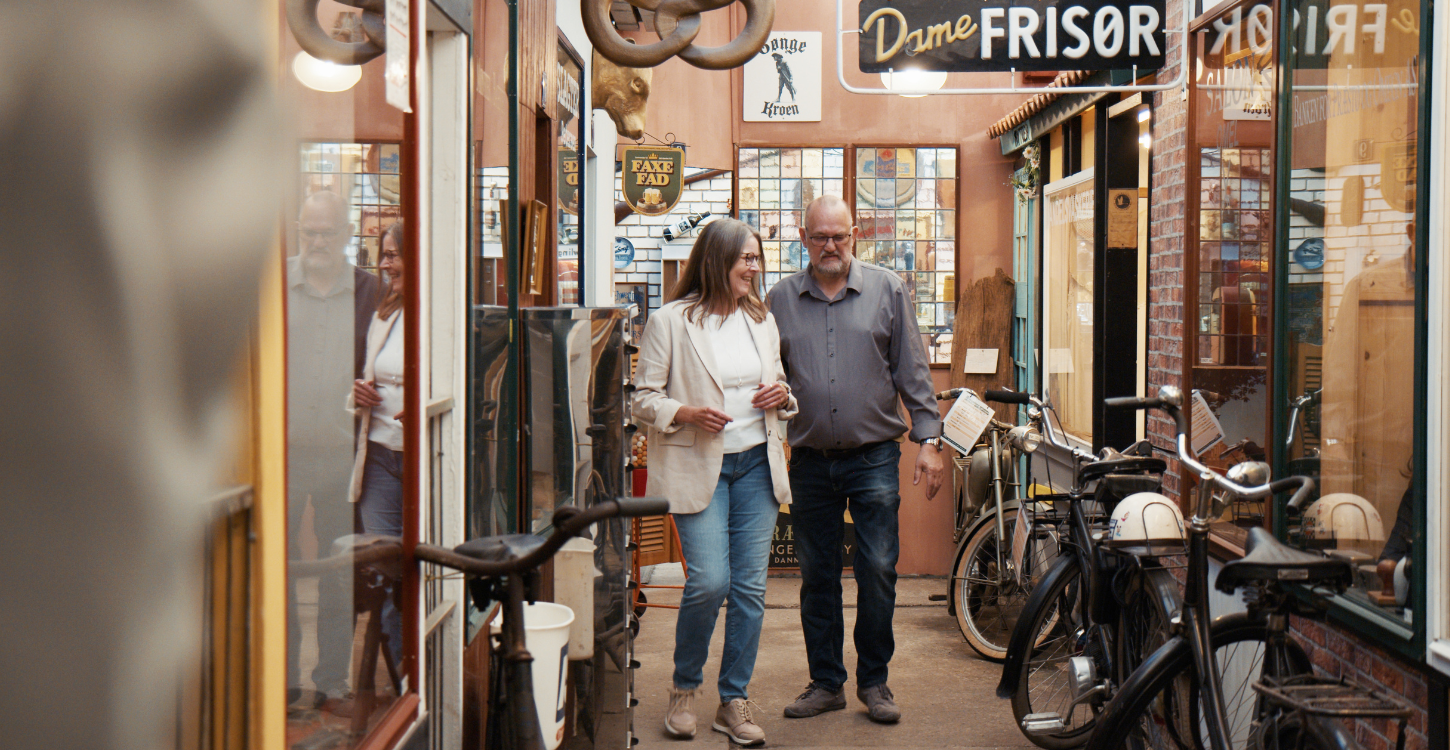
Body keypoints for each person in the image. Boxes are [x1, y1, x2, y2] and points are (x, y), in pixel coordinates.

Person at [766, 195, 944, 724]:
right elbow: (765, 377)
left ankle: (874, 681)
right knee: (817, 574)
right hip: (811, 462)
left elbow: (913, 370)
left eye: (839, 236)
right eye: (820, 237)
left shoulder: (888, 289)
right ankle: (826, 682)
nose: (830, 246)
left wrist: (929, 441)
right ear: (803, 238)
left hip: (873, 459)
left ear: (856, 233)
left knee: (877, 569)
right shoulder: (779, 300)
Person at [633, 218, 797, 746]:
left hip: (755, 464)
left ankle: (733, 699)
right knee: (709, 582)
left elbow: (782, 390)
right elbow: (641, 399)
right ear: (716, 258)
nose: (755, 267)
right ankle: (684, 688)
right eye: (745, 258)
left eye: (756, 259)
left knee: (749, 588)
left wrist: (783, 399)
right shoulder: (671, 321)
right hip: (699, 465)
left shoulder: (761, 320)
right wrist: (685, 412)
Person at [287, 190, 381, 709]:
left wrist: (376, 390)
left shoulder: (371, 291)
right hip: (282, 455)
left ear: (348, 235)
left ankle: (331, 678)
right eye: (309, 231)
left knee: (336, 570)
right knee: (277, 567)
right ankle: (283, 677)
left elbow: (393, 363)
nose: (317, 241)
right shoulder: (276, 283)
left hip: (344, 458)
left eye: (327, 232)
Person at [349, 220, 407, 671]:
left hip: (425, 457)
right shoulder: (385, 312)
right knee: (386, 572)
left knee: (421, 572)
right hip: (380, 459)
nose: (386, 264)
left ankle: (425, 675)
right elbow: (365, 381)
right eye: (383, 255)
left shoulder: (438, 312)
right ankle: (403, 678)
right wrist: (358, 394)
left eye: (393, 254)